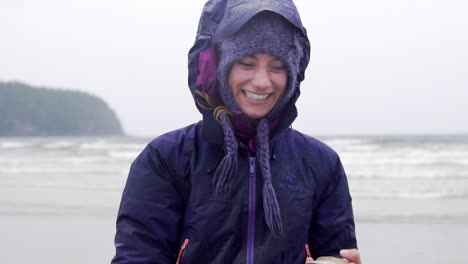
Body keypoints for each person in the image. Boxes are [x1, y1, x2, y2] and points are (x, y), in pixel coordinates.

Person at [112, 0, 361, 263]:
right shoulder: (165, 158)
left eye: (277, 66)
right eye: (246, 62)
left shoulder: (323, 164)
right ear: (218, 67)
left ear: (293, 73)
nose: (262, 82)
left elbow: (335, 252)